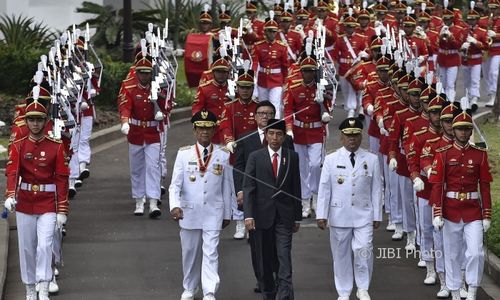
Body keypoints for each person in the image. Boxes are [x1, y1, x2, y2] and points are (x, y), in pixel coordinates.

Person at [4, 96, 70, 300]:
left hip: (48, 203)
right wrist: (9, 195)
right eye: (31, 120)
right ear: (26, 120)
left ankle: (43, 287)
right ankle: (30, 288)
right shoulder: (19, 145)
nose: (35, 124)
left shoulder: (55, 146)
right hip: (25, 203)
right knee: (26, 248)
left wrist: (62, 210)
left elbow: (61, 178)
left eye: (39, 120)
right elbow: (13, 173)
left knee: (44, 245)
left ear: (45, 121)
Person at [316, 117, 383, 300]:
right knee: (341, 255)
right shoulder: (331, 159)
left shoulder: (371, 159)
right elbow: (324, 188)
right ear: (341, 138)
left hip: (364, 214)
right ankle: (344, 291)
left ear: (361, 137)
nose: (352, 139)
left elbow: (376, 189)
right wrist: (322, 214)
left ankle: (362, 288)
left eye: (355, 135)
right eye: (348, 135)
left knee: (364, 249)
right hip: (339, 215)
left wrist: (378, 214)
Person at [169, 109, 232, 300]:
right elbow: (175, 184)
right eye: (201, 129)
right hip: (189, 212)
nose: (204, 132)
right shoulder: (184, 154)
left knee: (211, 252)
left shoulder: (222, 154)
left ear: (214, 131)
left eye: (209, 129)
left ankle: (209, 290)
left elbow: (227, 186)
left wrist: (228, 213)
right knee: (190, 252)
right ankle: (189, 287)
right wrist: (174, 206)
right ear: (195, 130)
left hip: (214, 211)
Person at [429, 110, 492, 300]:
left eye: (467, 129)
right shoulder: (443, 154)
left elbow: (485, 187)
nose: (463, 133)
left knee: (475, 253)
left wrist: (487, 215)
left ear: (471, 131)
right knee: (452, 254)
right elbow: (437, 185)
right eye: (460, 130)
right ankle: (455, 292)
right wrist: (437, 212)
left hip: (473, 210)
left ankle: (472, 290)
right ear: (454, 131)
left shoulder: (479, 154)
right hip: (450, 210)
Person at [233, 101, 294, 293]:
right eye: (261, 113)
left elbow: (290, 171)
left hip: (278, 202)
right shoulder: (245, 138)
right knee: (257, 246)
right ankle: (262, 279)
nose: (265, 117)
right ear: (255, 116)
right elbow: (239, 166)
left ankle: (278, 277)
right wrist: (241, 190)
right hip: (255, 199)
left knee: (279, 247)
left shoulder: (286, 140)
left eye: (269, 113)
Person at [243, 118, 302, 300]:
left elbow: (296, 187)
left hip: (284, 217)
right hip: (261, 216)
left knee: (284, 257)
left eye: (278, 134)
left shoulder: (292, 156)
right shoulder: (255, 157)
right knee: (264, 260)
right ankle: (269, 293)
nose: (275, 138)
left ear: (284, 137)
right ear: (266, 136)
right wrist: (248, 215)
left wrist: (297, 216)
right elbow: (249, 188)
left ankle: (284, 296)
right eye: (271, 133)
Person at [118, 53, 169, 218]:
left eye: (147, 72)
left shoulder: (159, 86)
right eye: (141, 72)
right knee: (137, 168)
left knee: (153, 167)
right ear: (137, 72)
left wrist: (160, 98)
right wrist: (125, 121)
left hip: (153, 132)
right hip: (136, 132)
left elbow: (168, 105)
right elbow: (125, 105)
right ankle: (139, 200)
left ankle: (153, 201)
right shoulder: (129, 87)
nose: (144, 75)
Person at [284, 54, 333, 218]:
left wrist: (324, 105)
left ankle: (317, 196)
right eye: (305, 71)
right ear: (301, 72)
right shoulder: (294, 88)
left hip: (316, 131)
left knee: (315, 164)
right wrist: (289, 129)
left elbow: (328, 107)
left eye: (311, 71)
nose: (308, 74)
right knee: (301, 169)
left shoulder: (321, 87)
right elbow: (288, 110)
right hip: (298, 132)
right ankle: (305, 201)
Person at [253, 13, 289, 119]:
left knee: (274, 105)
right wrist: (253, 74)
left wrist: (285, 81)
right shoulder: (258, 46)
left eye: (274, 31)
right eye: (269, 31)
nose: (272, 33)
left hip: (276, 80)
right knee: (263, 106)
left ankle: (275, 127)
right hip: (262, 80)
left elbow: (285, 66)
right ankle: (263, 129)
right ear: (265, 32)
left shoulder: (281, 47)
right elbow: (255, 62)